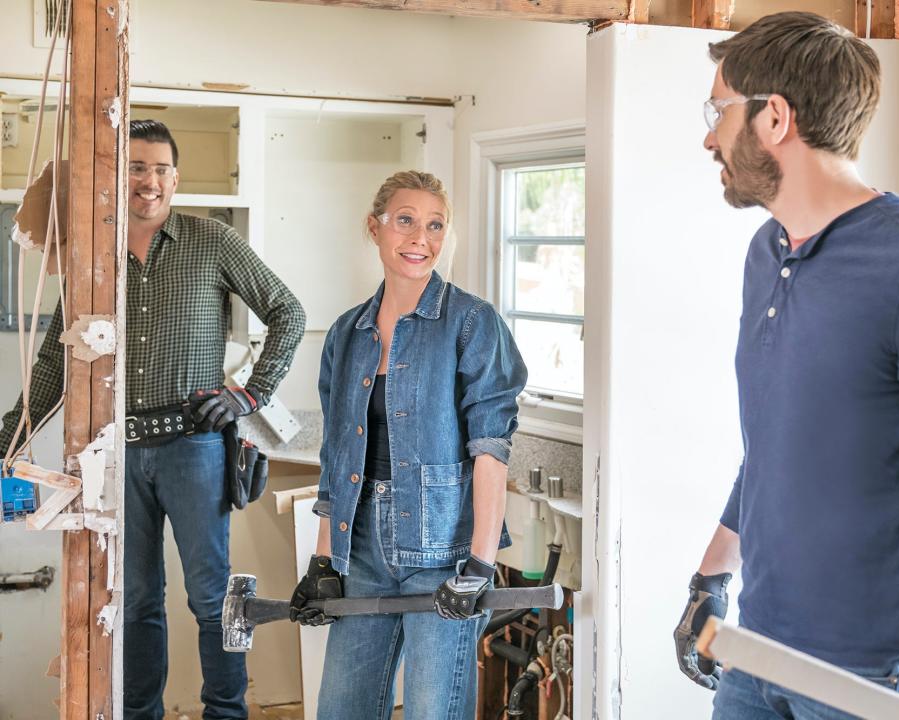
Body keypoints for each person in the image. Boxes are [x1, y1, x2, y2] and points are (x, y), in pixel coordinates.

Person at [671, 12, 899, 719]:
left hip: (871, 679)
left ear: (774, 118)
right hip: (757, 653)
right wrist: (711, 577)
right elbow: (771, 443)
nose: (710, 136)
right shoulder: (766, 253)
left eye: (719, 111)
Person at [0, 119, 306, 719]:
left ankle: (225, 713)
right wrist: (13, 429)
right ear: (118, 177)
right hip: (119, 454)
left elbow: (288, 313)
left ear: (176, 177)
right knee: (135, 600)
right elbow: (54, 359)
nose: (149, 181)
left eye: (161, 169)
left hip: (196, 448)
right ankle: (141, 716)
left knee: (212, 597)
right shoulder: (92, 253)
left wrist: (249, 394)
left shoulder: (211, 242)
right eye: (136, 167)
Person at [288, 170, 527, 720]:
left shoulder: (471, 323)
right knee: (341, 710)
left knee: (432, 712)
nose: (421, 238)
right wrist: (324, 561)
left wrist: (481, 566)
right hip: (363, 550)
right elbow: (338, 457)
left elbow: (491, 448)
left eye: (435, 225)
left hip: (445, 554)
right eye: (405, 221)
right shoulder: (348, 333)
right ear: (374, 228)